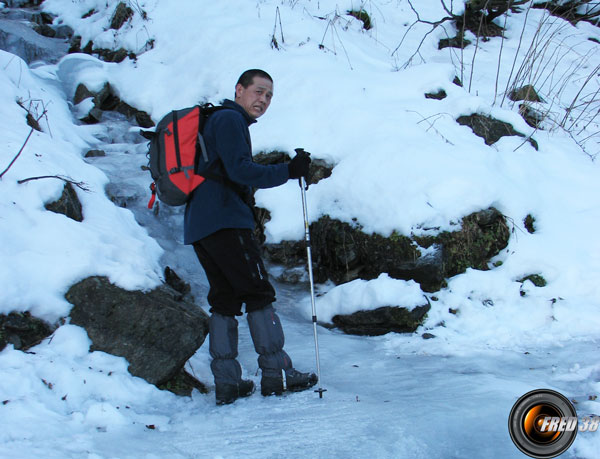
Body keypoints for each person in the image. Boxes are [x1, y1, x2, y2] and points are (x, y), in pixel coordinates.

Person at [184, 69, 317, 405]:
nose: (263, 100)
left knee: (225, 298)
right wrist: (289, 170)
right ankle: (277, 374)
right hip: (226, 220)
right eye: (258, 91)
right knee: (257, 292)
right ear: (239, 90)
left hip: (201, 223)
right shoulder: (230, 120)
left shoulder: (214, 120)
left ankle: (228, 382)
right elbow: (240, 170)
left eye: (269, 95)